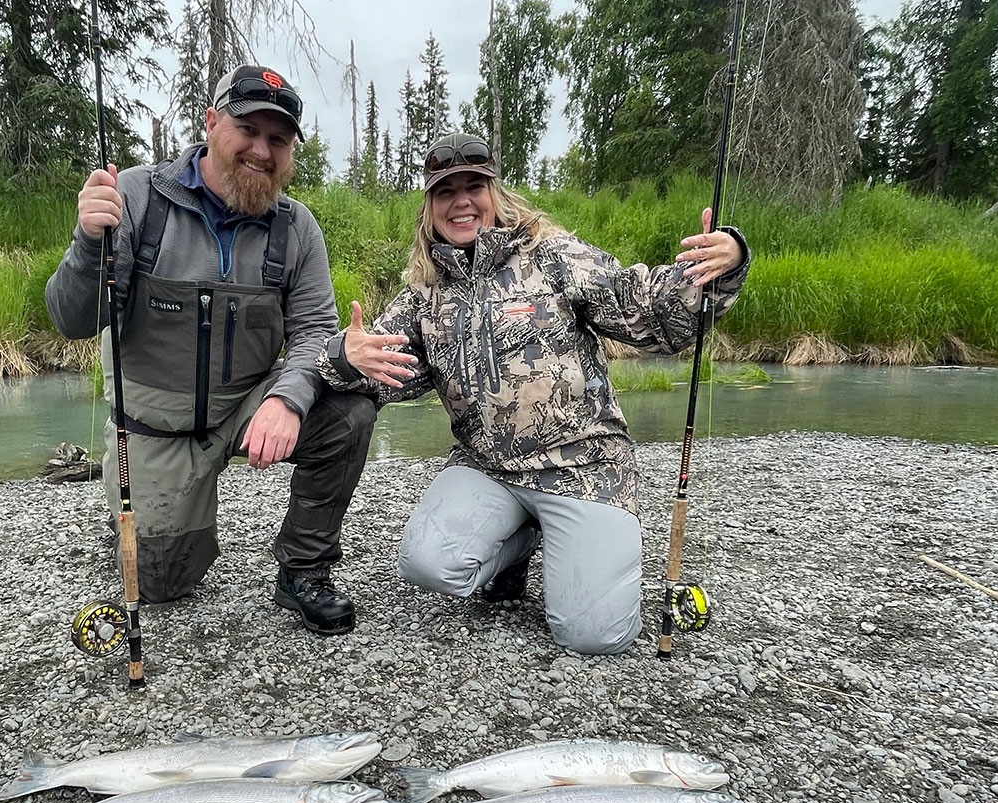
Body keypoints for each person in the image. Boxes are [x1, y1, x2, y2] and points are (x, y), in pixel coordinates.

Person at [316, 133, 749, 656]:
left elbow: (649, 312)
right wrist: (343, 356)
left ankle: (576, 543)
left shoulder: (553, 256)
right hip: (486, 468)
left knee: (594, 637)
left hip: (586, 468)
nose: (461, 201)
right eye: (445, 190)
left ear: (494, 192)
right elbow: (380, 370)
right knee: (426, 565)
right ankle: (521, 539)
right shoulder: (424, 293)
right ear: (429, 206)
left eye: (474, 186)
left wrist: (723, 260)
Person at [45, 65, 376, 635]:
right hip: (155, 428)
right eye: (248, 130)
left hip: (244, 406)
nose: (262, 150)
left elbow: (314, 334)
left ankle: (304, 568)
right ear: (212, 123)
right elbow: (71, 319)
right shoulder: (136, 197)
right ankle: (139, 509)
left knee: (348, 408)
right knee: (162, 585)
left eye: (278, 139)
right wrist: (88, 243)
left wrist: (289, 400)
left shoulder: (297, 228)